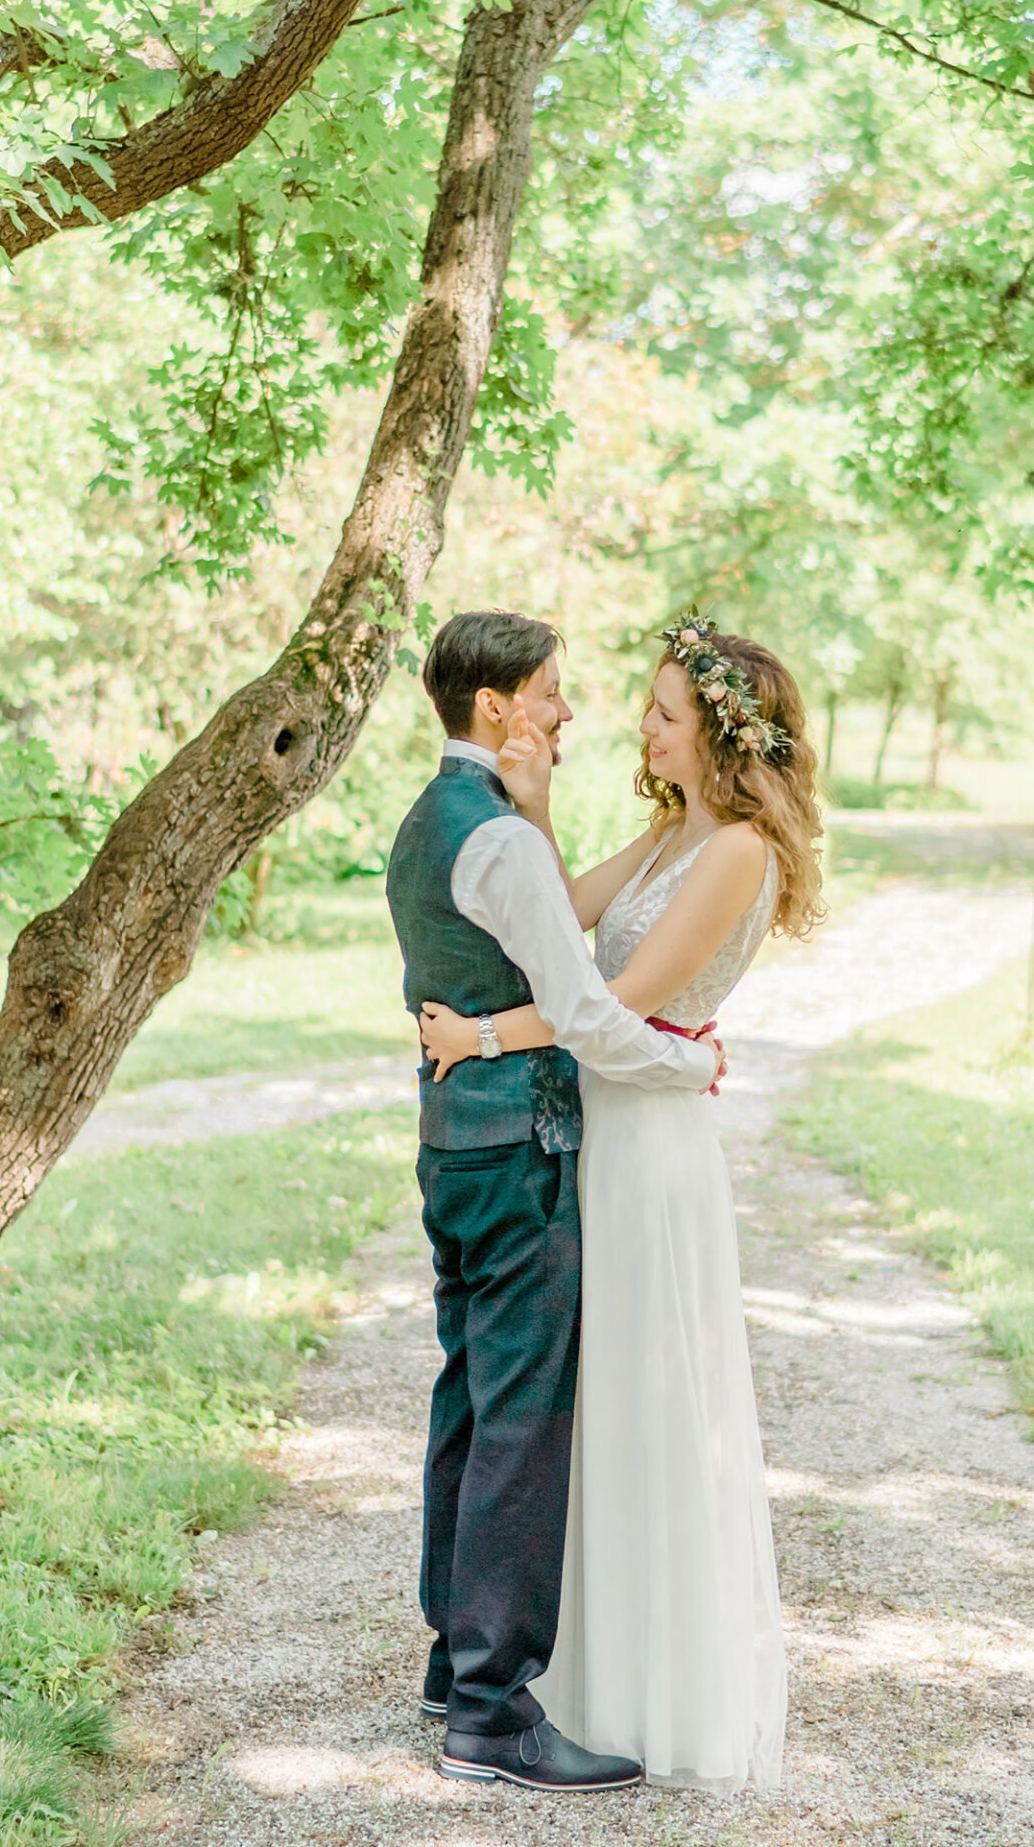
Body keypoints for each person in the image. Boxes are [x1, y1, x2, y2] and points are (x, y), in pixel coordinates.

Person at [418, 613, 823, 1792]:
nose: (641, 726)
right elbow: (563, 919)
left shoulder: (736, 850)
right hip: (595, 1123)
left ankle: (642, 1678)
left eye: (664, 712)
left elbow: (617, 1002)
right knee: (574, 1400)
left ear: (722, 738)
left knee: (641, 1391)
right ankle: (542, 1666)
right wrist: (538, 804)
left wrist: (481, 1035)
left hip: (647, 1143)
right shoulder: (667, 832)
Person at [384, 610, 723, 1793]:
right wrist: (687, 1062)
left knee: (470, 1400)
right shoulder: (504, 844)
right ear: (496, 707)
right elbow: (580, 1011)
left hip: (450, 1146)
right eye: (549, 692)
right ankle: (493, 1713)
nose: (567, 710)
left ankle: (452, 1660)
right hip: (520, 1154)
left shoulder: (428, 819)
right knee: (522, 1422)